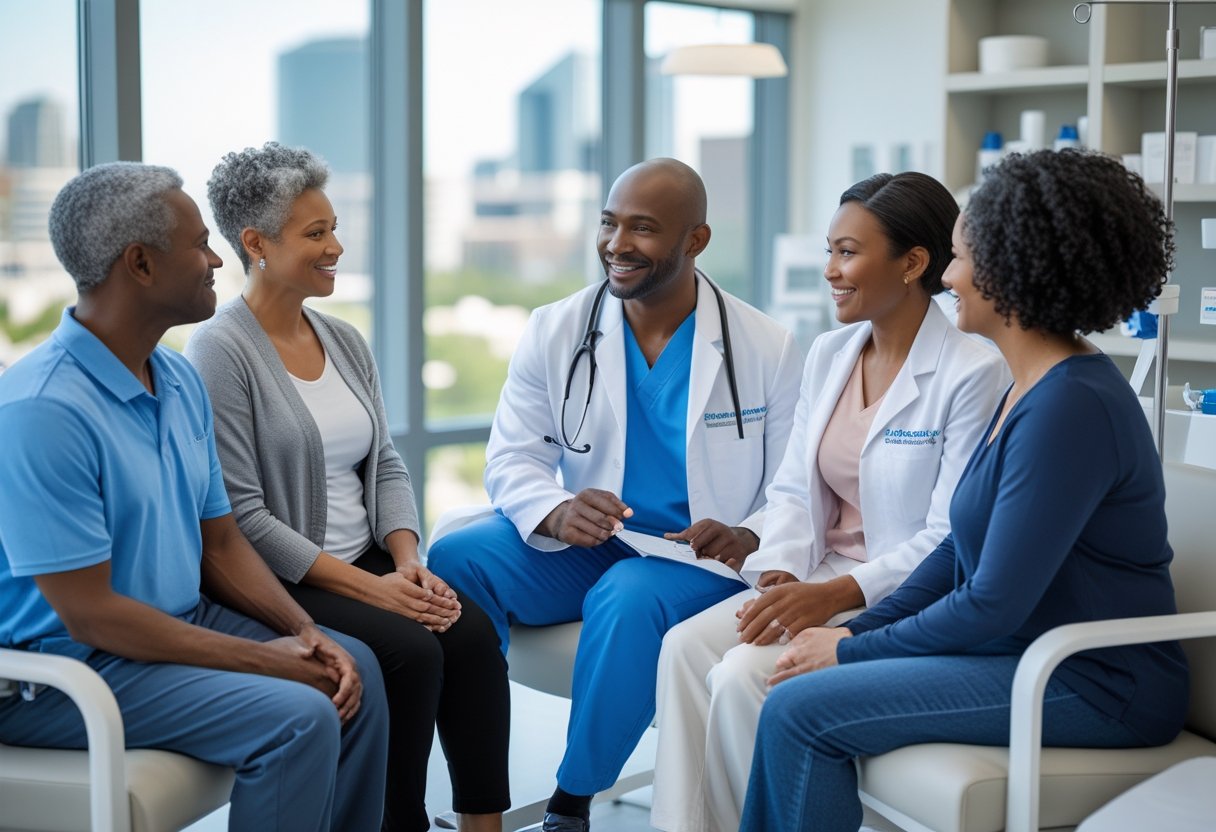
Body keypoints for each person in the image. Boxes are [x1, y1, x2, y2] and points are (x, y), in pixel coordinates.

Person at [739, 149, 1191, 832]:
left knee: (803, 710)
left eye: (958, 260)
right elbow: (955, 554)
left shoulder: (1073, 406)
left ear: (1012, 270)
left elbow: (991, 602)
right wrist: (853, 629)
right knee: (796, 686)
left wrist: (849, 648)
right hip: (1021, 653)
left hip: (1095, 684)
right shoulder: (1030, 388)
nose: (948, 280)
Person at [0, 162, 389, 832]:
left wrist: (302, 632)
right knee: (296, 720)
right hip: (61, 669)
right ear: (141, 265)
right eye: (200, 245)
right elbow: (94, 617)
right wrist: (268, 658)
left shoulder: (176, 379)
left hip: (176, 623)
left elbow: (223, 540)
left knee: (358, 673)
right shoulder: (41, 410)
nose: (217, 259)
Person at [427, 157, 803, 832]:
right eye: (609, 222)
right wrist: (556, 508)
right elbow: (513, 456)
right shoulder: (556, 328)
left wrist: (749, 532)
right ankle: (478, 799)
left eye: (644, 228)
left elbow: (795, 487)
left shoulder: (766, 347)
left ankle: (571, 803)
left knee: (627, 598)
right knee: (458, 558)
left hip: (695, 560)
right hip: (592, 540)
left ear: (696, 240)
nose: (617, 243)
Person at [649, 171, 1010, 832]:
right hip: (814, 576)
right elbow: (792, 487)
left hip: (892, 598)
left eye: (848, 252)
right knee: (681, 648)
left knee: (740, 677)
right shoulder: (831, 352)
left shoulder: (974, 371)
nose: (830, 270)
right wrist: (782, 570)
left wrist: (839, 594)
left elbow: (947, 536)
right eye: (830, 251)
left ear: (913, 263)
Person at [185, 142, 509, 832]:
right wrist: (373, 591)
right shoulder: (219, 352)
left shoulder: (344, 339)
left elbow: (385, 462)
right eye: (316, 232)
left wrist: (406, 562)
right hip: (287, 575)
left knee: (472, 637)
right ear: (256, 243)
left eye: (333, 227)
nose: (336, 245)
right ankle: (399, 823)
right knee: (412, 648)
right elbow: (242, 516)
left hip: (368, 561)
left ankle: (485, 826)